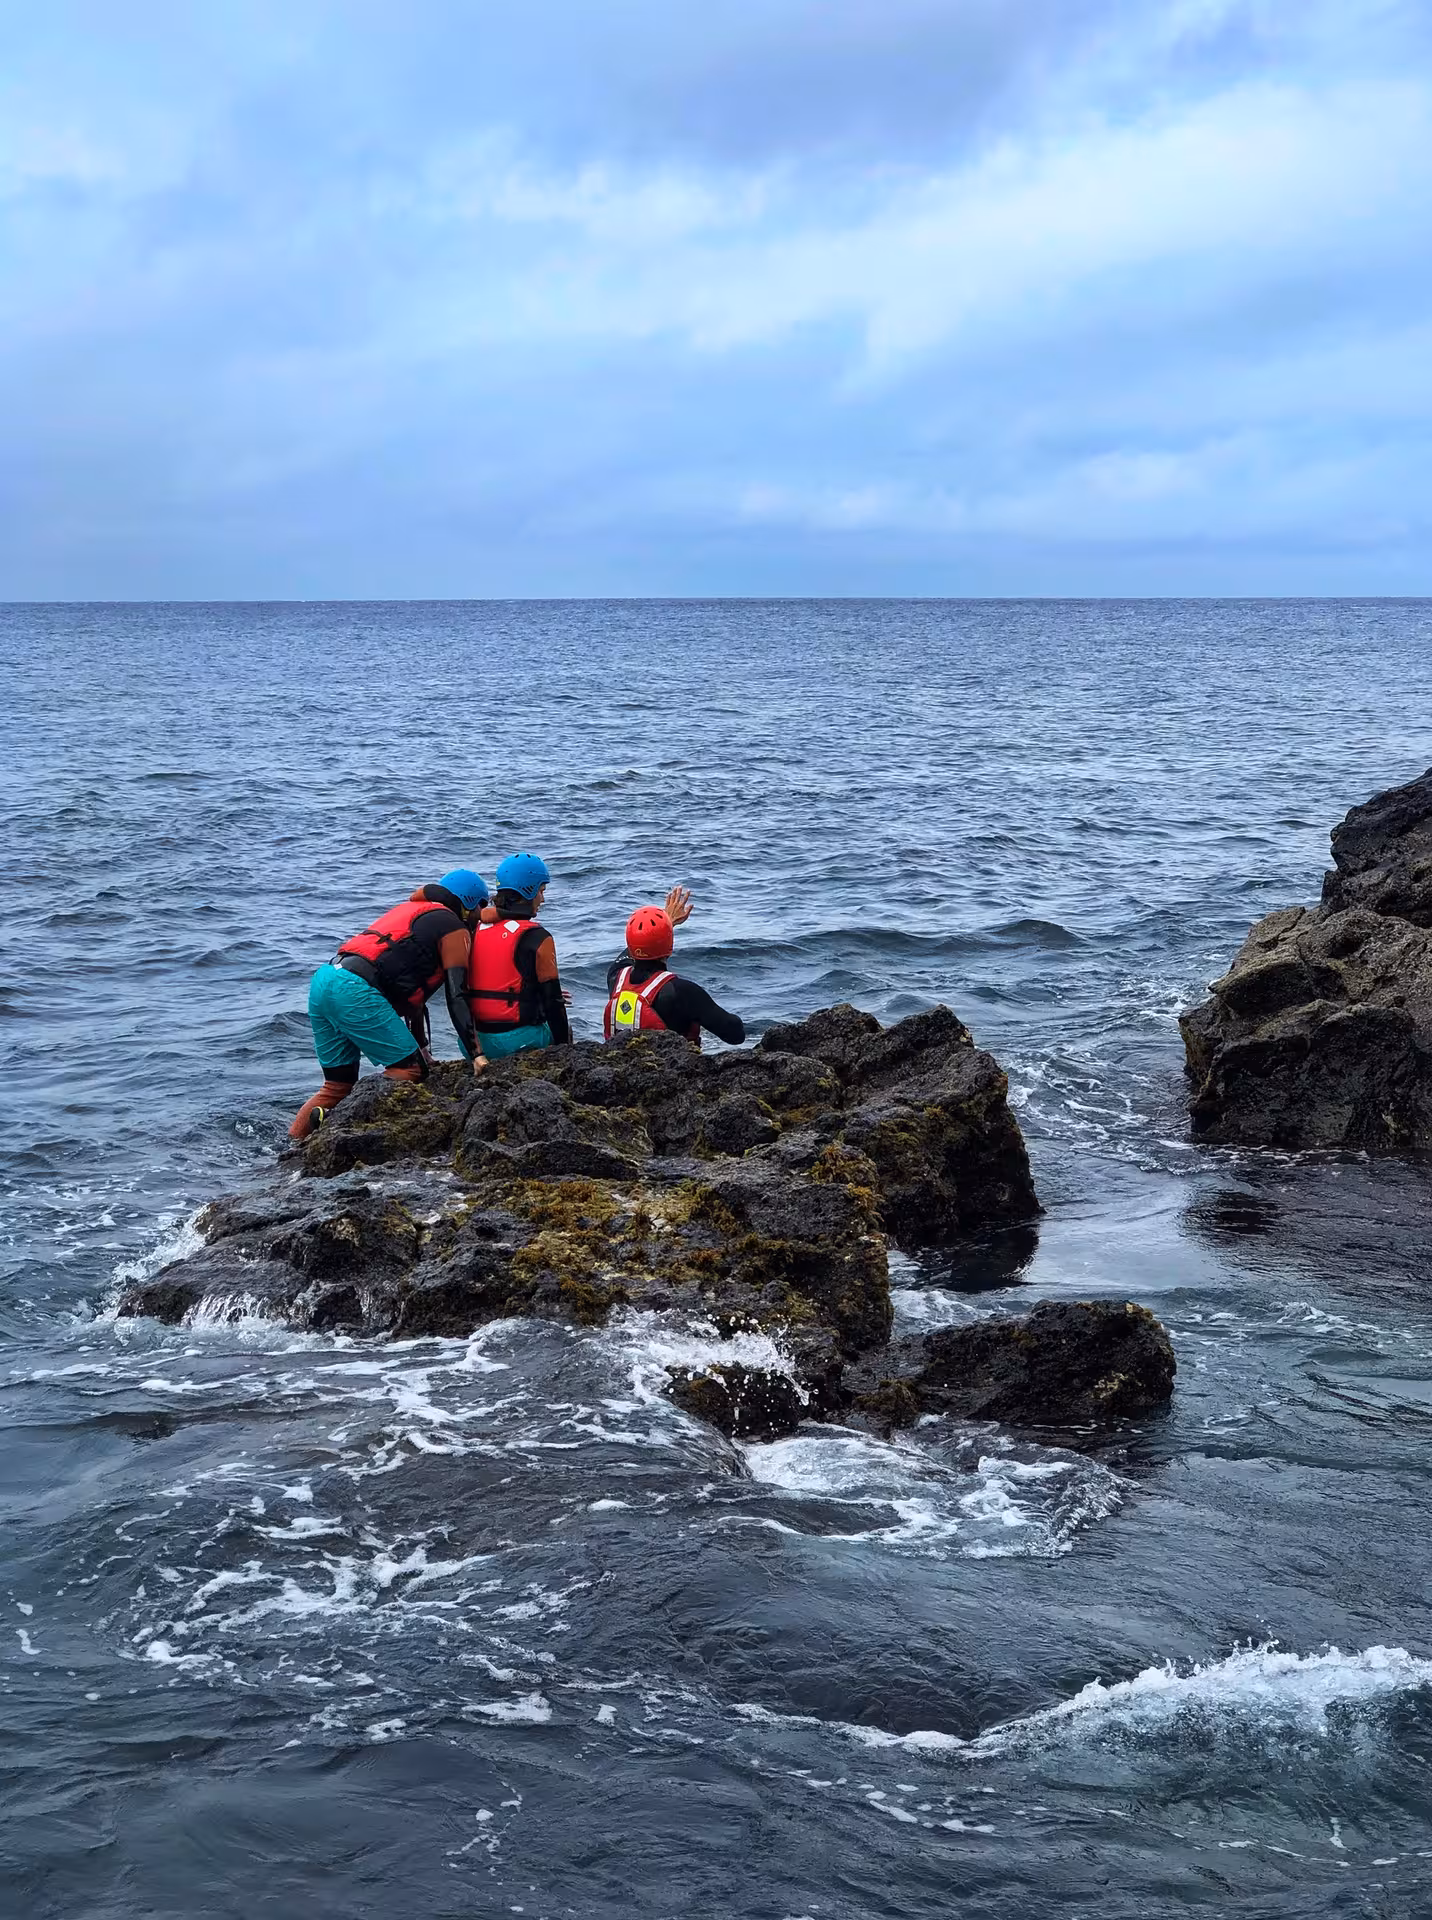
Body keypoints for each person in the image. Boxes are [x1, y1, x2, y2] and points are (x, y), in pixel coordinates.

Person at [289, 868, 489, 1140]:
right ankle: (348, 1113)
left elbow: (415, 1000)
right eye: (480, 909)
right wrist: (476, 1054)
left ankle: (293, 1147)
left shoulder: (417, 914)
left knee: (335, 1087)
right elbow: (457, 995)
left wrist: (422, 1048)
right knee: (411, 1070)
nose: (479, 919)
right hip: (355, 989)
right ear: (470, 904)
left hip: (326, 979)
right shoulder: (453, 927)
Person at [463, 852, 571, 1061]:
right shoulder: (538, 937)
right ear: (528, 891)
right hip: (518, 1042)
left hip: (473, 1044)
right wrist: (565, 1052)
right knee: (563, 1028)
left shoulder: (474, 928)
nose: (543, 899)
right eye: (541, 891)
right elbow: (553, 1003)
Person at [604, 888, 745, 1047]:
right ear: (669, 945)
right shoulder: (683, 992)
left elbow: (630, 953)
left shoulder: (615, 978)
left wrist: (666, 923)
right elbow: (735, 1034)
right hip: (672, 1069)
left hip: (620, 1065)